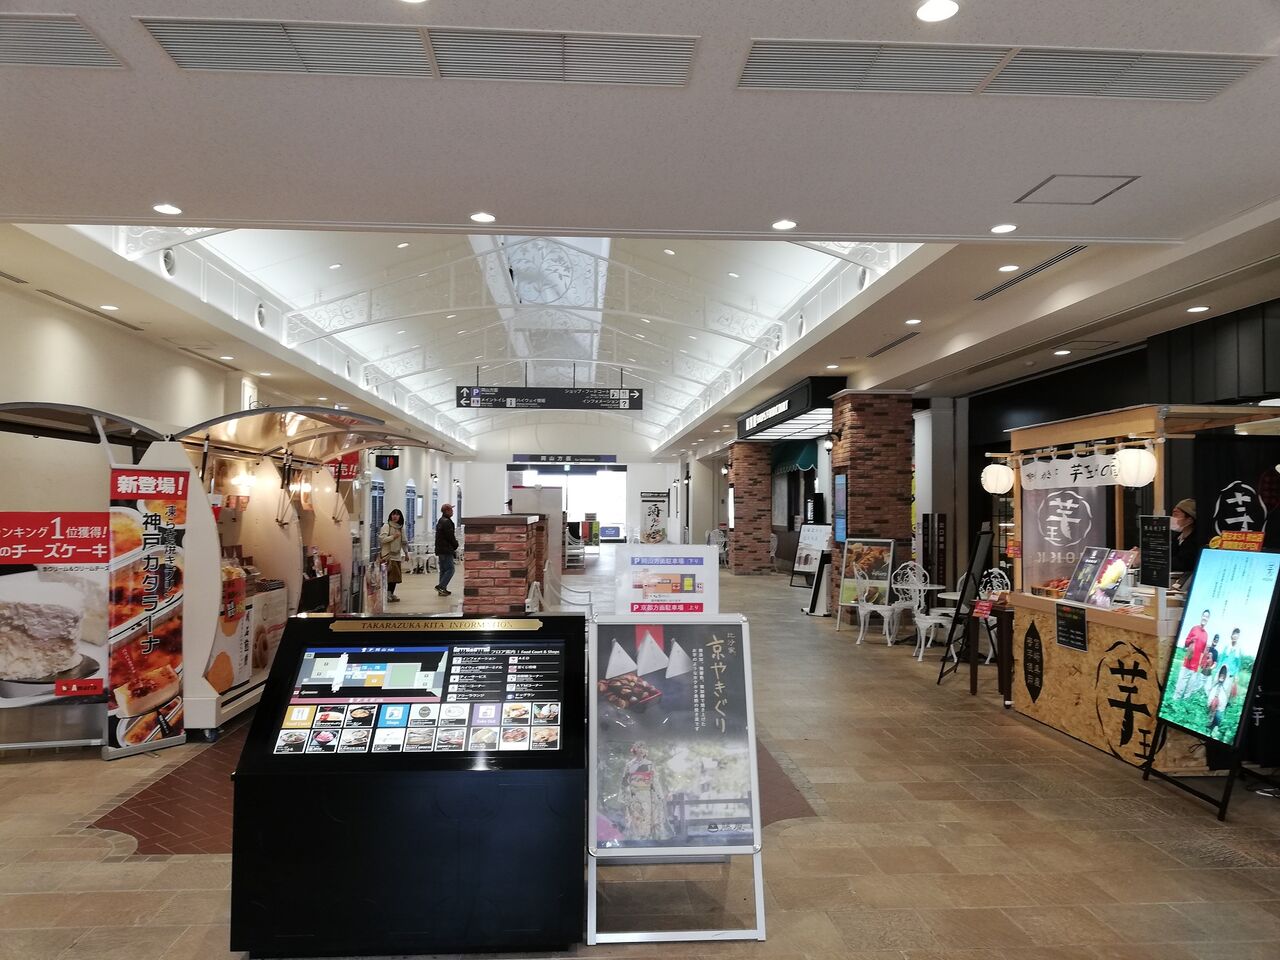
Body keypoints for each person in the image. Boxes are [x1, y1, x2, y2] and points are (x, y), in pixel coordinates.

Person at [1173, 608, 1210, 699]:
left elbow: (1203, 652)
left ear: (1208, 619)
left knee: (1189, 688)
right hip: (1187, 663)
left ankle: (1184, 702)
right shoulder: (1194, 629)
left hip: (1195, 667)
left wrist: (1201, 664)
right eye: (1204, 616)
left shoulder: (1206, 635)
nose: (1205, 618)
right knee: (1180, 685)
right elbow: (1186, 642)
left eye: (1207, 617)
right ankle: (1175, 700)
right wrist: (1191, 640)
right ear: (1201, 616)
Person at [378, 509, 408, 603]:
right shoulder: (386, 526)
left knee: (395, 577)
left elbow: (404, 542)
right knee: (388, 577)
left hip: (397, 555)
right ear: (390, 516)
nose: (395, 516)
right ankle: (387, 594)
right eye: (393, 514)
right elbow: (382, 539)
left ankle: (391, 593)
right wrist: (393, 537)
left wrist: (406, 553)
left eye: (397, 515)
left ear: (400, 517)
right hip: (388, 555)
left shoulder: (400, 528)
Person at [434, 503, 458, 597]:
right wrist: (455, 545)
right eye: (451, 510)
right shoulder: (447, 522)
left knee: (443, 570)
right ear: (446, 511)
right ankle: (441, 586)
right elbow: (450, 536)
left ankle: (442, 590)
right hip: (446, 549)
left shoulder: (441, 520)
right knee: (450, 569)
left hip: (440, 549)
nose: (452, 511)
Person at [1170, 498, 1198, 574]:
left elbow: (1183, 564)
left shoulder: (1196, 540)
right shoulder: (1177, 537)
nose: (1172, 518)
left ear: (1189, 520)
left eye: (1176, 514)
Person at [1206, 665, 1231, 736]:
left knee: (1218, 717)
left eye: (1223, 676)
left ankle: (1215, 728)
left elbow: (1226, 696)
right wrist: (1211, 702)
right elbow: (1211, 693)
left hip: (1220, 705)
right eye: (1221, 675)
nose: (1222, 677)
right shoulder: (1215, 683)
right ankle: (1209, 726)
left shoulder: (1226, 684)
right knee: (1210, 714)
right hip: (1212, 704)